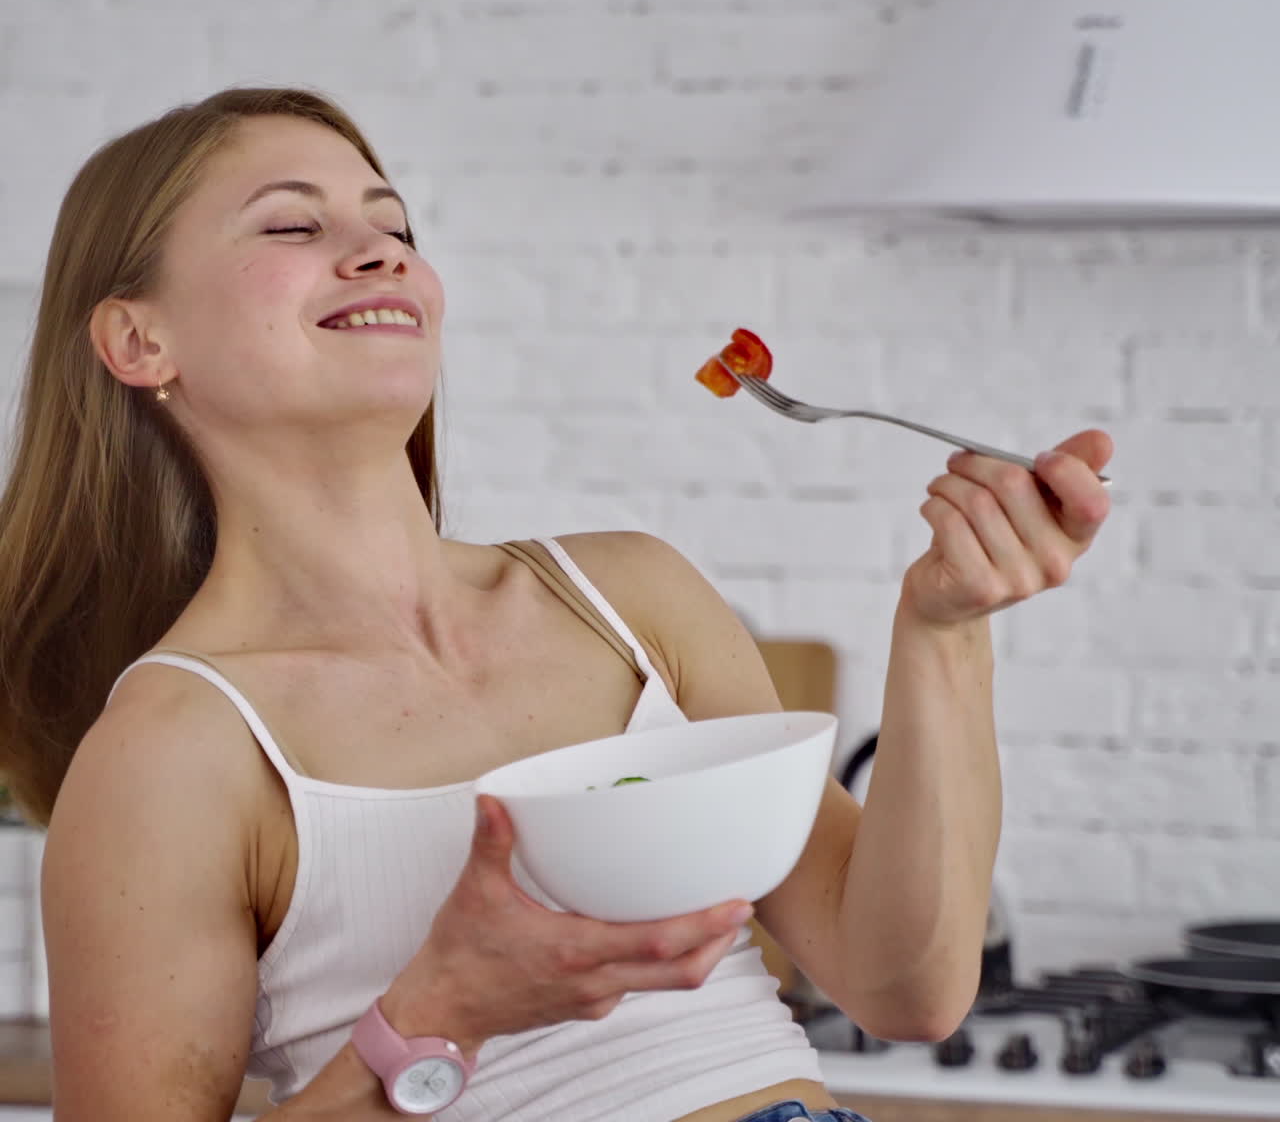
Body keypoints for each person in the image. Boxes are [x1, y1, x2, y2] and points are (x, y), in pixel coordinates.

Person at [0, 87, 1112, 1122]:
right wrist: (444, 1007)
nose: (380, 248)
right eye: (293, 228)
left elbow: (903, 983)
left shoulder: (628, 596)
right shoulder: (171, 750)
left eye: (394, 225)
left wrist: (945, 628)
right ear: (140, 341)